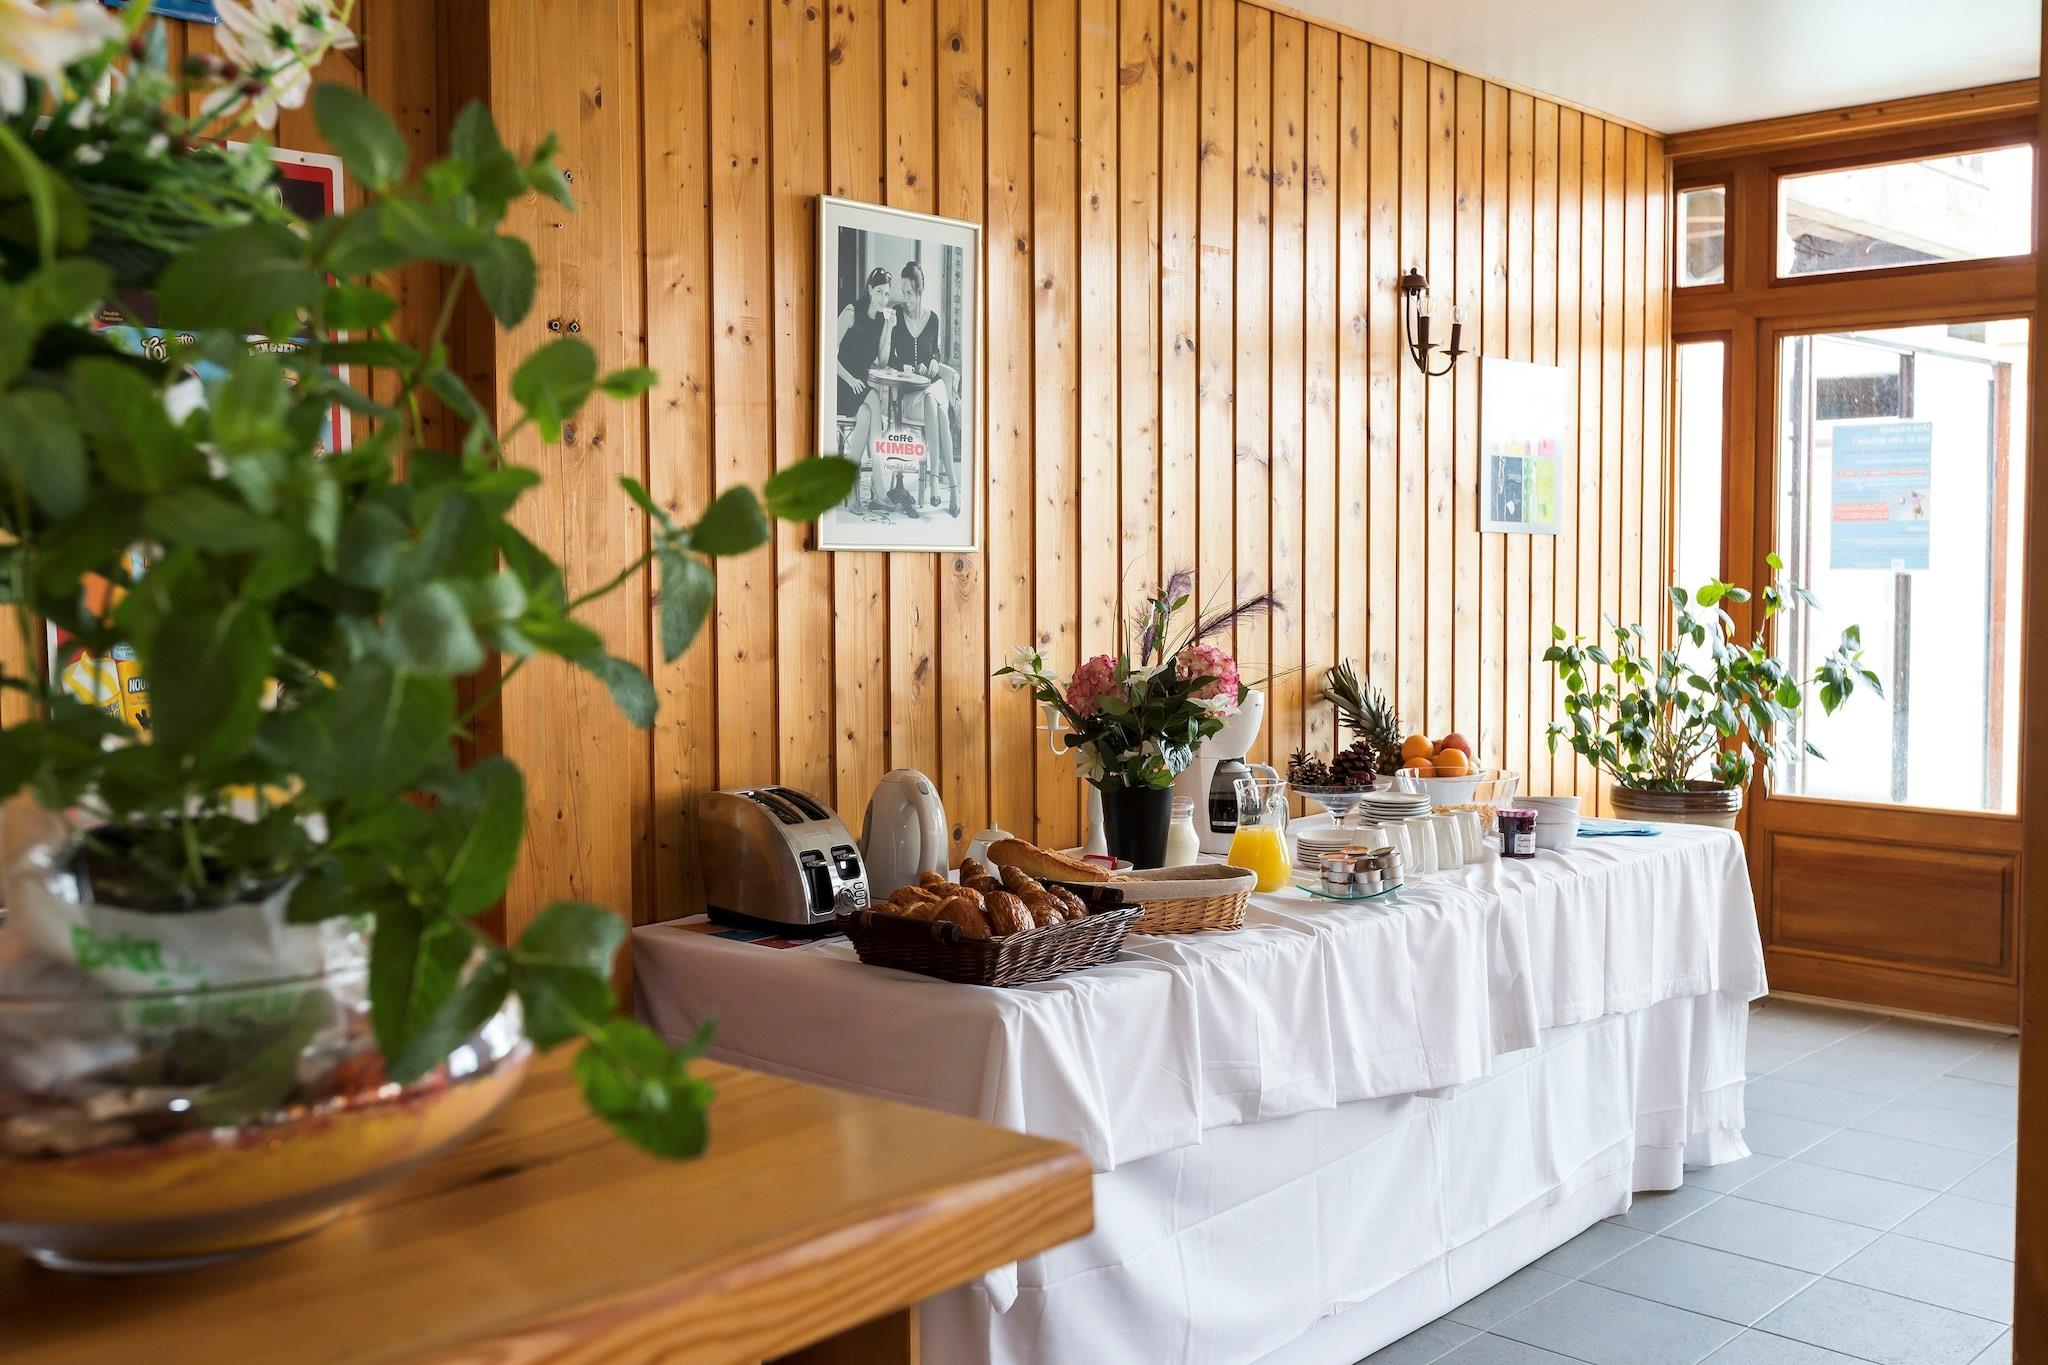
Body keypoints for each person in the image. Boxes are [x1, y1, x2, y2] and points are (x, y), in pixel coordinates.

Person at [890, 258, 959, 516]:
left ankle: (936, 480)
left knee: (934, 398)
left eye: (909, 292)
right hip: (911, 395)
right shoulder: (897, 316)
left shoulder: (933, 319)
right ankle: (947, 484)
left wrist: (933, 361)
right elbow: (891, 358)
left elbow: (936, 351)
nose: (905, 298)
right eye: (903, 292)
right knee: (939, 410)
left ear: (920, 291)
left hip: (933, 385)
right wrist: (908, 367)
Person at [836, 266, 896, 510]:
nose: (883, 298)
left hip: (860, 387)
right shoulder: (851, 312)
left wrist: (890, 328)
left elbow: (882, 361)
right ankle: (878, 486)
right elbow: (826, 352)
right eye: (879, 291)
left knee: (867, 413)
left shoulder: (881, 320)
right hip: (841, 383)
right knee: (873, 399)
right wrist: (849, 379)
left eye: (886, 293)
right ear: (870, 290)